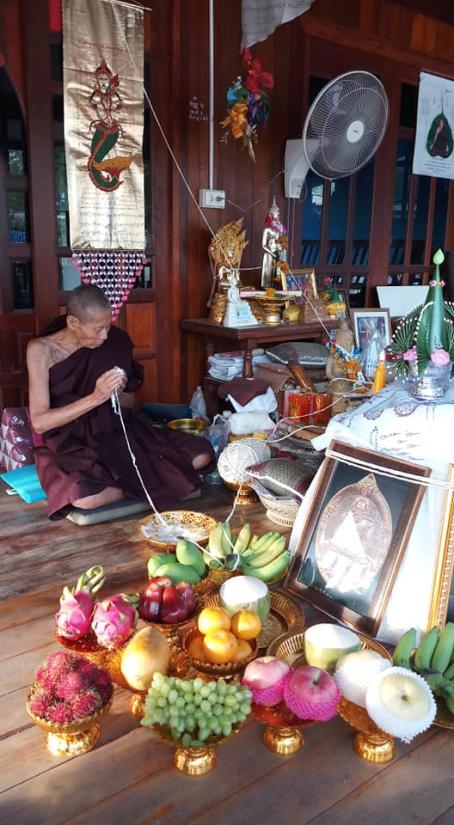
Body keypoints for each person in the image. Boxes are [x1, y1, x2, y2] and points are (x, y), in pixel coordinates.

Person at [27, 284, 214, 520]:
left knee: (202, 454)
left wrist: (119, 389)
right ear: (73, 322)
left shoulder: (116, 341)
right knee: (84, 497)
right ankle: (155, 482)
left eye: (108, 326)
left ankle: (139, 483)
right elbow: (40, 423)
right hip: (70, 442)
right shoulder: (41, 350)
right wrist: (96, 397)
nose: (105, 336)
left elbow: (129, 404)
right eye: (98, 330)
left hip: (114, 432)